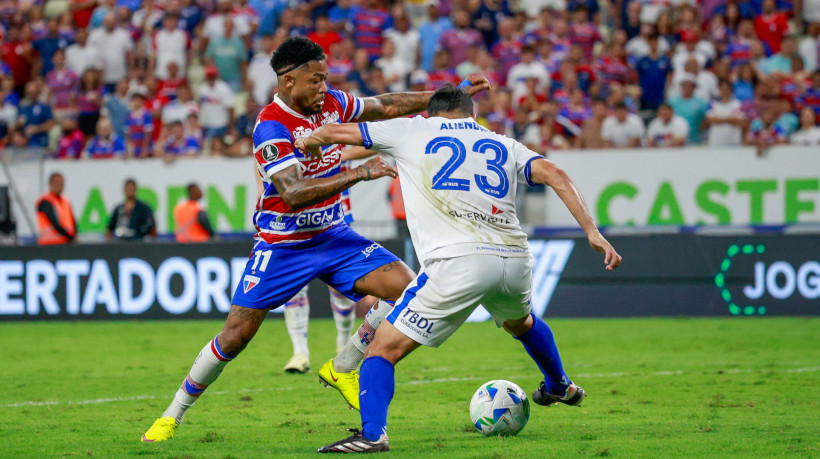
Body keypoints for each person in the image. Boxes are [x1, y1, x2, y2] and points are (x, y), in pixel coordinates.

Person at [140, 36, 490, 443]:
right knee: (235, 335)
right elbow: (292, 191)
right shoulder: (271, 125)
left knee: (411, 291)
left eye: (325, 79)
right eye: (315, 80)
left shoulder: (333, 105)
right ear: (288, 81)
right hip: (283, 246)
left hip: (333, 235)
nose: (324, 88)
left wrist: (449, 97)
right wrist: (360, 172)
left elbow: (387, 105)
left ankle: (343, 365)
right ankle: (172, 414)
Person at [296, 84, 621, 453]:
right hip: (514, 259)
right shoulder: (502, 142)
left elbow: (333, 132)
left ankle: (372, 435)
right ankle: (559, 385)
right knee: (521, 322)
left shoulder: (412, 129)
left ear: (432, 111)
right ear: (471, 112)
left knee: (381, 352)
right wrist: (592, 232)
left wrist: (309, 139)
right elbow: (557, 175)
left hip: (457, 262)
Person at [36, 172, 76, 245]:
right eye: (56, 182)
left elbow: (73, 221)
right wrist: (70, 237)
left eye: (61, 183)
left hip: (65, 243)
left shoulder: (66, 201)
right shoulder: (45, 201)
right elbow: (54, 223)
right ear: (50, 183)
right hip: (49, 244)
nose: (59, 185)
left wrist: (74, 236)